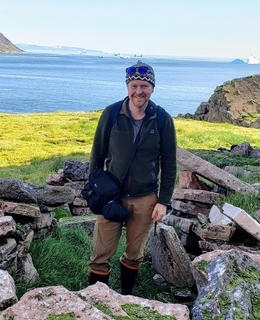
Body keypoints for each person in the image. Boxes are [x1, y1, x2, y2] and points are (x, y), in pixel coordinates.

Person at [88, 60, 177, 295]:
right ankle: (96, 300)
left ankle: (125, 299)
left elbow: (169, 164)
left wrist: (163, 201)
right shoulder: (111, 114)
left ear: (153, 88)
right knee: (100, 254)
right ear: (127, 86)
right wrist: (96, 192)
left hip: (145, 199)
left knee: (134, 254)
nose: (139, 91)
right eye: (135, 85)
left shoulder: (162, 119)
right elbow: (96, 156)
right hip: (111, 197)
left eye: (145, 86)